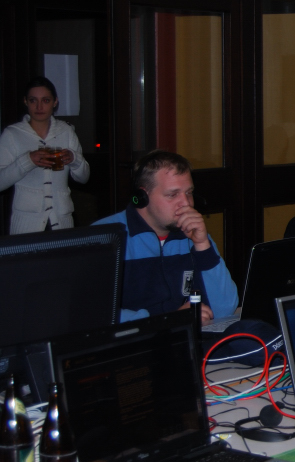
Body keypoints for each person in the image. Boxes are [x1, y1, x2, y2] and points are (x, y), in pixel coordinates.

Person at [94, 150, 238, 323]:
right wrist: (167, 320)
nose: (186, 203)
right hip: (138, 338)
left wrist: (202, 245)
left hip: (186, 335)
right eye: (172, 194)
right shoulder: (105, 237)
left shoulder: (193, 234)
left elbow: (225, 309)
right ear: (142, 197)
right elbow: (93, 313)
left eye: (189, 192)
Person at [0, 76, 90, 234]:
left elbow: (84, 178)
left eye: (46, 100)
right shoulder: (13, 134)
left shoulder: (66, 131)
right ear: (25, 102)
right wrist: (28, 160)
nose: (39, 106)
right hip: (27, 224)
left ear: (55, 102)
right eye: (33, 100)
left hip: (62, 221)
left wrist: (74, 159)